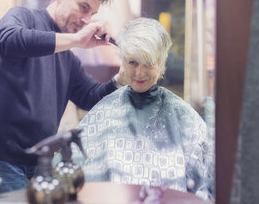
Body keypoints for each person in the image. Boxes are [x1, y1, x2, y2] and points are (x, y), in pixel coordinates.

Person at [0, 0, 126, 198]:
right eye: (83, 7)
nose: (86, 19)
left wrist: (123, 77)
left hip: (40, 166)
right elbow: (9, 39)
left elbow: (90, 97)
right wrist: (76, 40)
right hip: (0, 160)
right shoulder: (22, 17)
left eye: (92, 13)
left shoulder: (68, 57)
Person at [70, 18, 214, 200]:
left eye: (148, 63)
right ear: (123, 61)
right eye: (133, 63)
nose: (139, 73)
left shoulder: (182, 114)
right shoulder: (104, 112)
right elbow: (72, 172)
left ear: (162, 62)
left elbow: (207, 178)